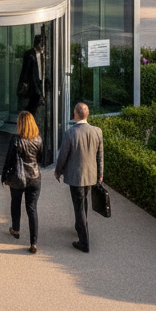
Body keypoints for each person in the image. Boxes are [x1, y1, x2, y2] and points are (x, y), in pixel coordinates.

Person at [54, 101, 104, 252]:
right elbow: (100, 155)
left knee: (79, 207)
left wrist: (58, 171)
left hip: (76, 176)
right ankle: (81, 227)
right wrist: (100, 174)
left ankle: (84, 241)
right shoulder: (97, 131)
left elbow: (63, 155)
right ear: (87, 114)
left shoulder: (70, 133)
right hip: (91, 175)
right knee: (83, 204)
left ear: (75, 114)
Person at [1, 110, 44, 254]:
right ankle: (34, 242)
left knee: (15, 203)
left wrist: (4, 176)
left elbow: (9, 160)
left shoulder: (15, 140)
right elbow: (40, 158)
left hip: (18, 177)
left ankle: (16, 229)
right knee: (32, 209)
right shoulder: (38, 139)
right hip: (34, 177)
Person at [18, 34, 46, 114]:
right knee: (32, 105)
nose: (43, 48)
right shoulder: (29, 54)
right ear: (37, 44)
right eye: (41, 45)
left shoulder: (42, 55)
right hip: (33, 84)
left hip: (40, 82)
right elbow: (25, 70)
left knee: (36, 104)